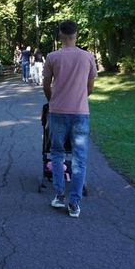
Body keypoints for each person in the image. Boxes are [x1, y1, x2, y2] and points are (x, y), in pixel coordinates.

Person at [43, 20, 97, 218]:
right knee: (79, 158)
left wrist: (53, 101)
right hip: (81, 112)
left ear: (60, 35)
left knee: (57, 153)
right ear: (76, 35)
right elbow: (90, 87)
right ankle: (74, 203)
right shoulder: (87, 57)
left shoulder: (52, 57)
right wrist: (80, 99)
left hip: (57, 112)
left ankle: (59, 194)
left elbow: (46, 84)